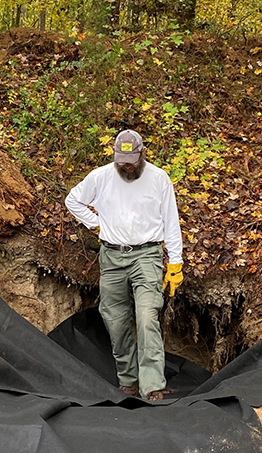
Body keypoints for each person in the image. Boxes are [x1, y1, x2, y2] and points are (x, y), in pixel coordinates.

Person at [65, 130, 184, 401]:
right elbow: (72, 200)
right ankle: (128, 379)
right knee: (115, 320)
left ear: (143, 153)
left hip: (147, 255)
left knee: (146, 316)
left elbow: (171, 222)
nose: (126, 165)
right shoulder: (100, 177)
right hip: (112, 257)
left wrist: (175, 262)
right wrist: (95, 223)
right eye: (121, 160)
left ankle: (152, 385)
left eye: (131, 159)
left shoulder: (159, 179)